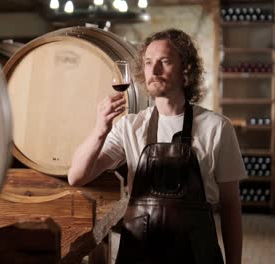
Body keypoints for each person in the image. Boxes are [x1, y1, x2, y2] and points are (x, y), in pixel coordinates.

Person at [68, 28, 244, 264]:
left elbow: (231, 206)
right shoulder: (129, 126)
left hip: (196, 253)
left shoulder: (217, 127)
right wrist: (100, 130)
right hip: (138, 254)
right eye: (149, 62)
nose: (154, 70)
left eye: (165, 61)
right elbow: (76, 176)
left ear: (186, 71)